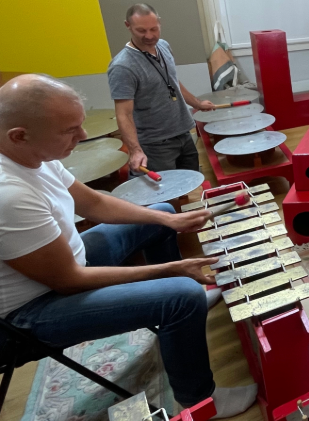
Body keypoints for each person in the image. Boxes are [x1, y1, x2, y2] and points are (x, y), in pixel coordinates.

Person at [0, 75, 257, 418]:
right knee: (181, 296)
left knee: (161, 212)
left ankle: (174, 303)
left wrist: (169, 222)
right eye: (69, 130)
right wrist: (171, 271)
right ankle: (199, 399)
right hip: (32, 312)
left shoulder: (37, 155)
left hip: (63, 265)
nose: (84, 136)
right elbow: (69, 281)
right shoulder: (9, 194)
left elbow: (93, 204)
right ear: (19, 135)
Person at [108, 4, 216, 173]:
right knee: (164, 192)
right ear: (128, 26)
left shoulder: (163, 46)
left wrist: (198, 104)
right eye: (141, 31)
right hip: (155, 144)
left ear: (160, 23)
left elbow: (171, 82)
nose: (149, 36)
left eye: (154, 29)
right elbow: (124, 114)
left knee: (190, 181)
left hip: (183, 132)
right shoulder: (123, 66)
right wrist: (135, 150)